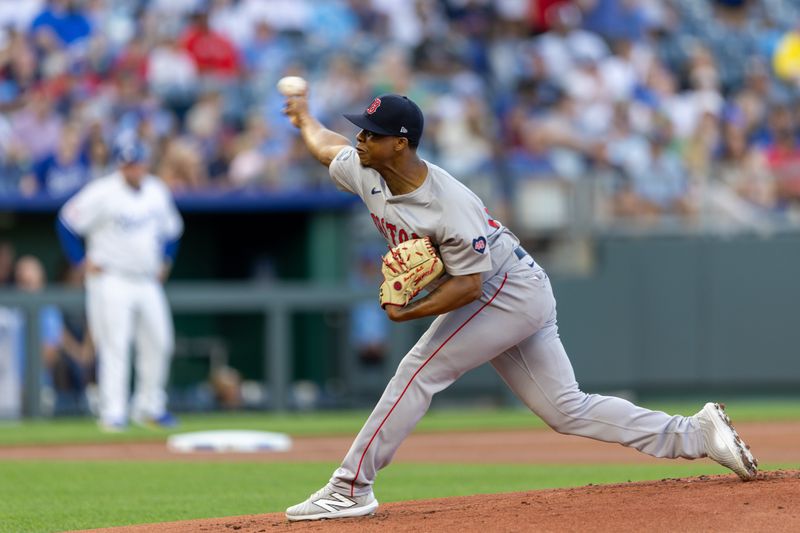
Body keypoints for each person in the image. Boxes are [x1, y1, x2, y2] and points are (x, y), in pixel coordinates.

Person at [280, 89, 759, 521]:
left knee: (418, 370)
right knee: (564, 408)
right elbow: (325, 146)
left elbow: (468, 286)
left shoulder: (449, 203)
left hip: (504, 288)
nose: (360, 138)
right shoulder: (366, 169)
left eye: (372, 133)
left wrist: (407, 313)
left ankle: (349, 487)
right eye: (361, 129)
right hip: (510, 285)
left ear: (401, 143)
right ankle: (696, 434)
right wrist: (303, 117)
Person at [55, 138, 183, 432]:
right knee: (115, 344)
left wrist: (166, 260)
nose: (134, 168)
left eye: (138, 162)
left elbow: (172, 231)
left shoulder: (156, 190)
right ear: (120, 165)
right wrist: (80, 260)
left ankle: (150, 407)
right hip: (111, 277)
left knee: (160, 342)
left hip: (147, 279)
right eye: (128, 163)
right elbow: (65, 222)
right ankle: (113, 412)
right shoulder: (102, 192)